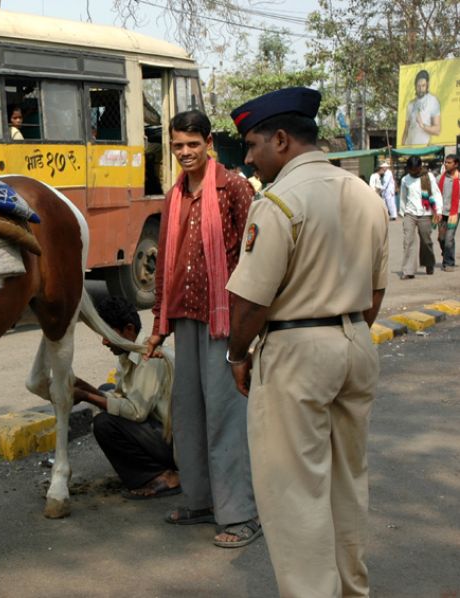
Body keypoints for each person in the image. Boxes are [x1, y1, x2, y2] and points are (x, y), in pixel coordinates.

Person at [226, 86, 388, 597]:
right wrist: (347, 329)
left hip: (296, 351)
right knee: (346, 487)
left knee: (295, 496)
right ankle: (352, 590)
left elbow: (251, 302)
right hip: (355, 342)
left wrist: (237, 354)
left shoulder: (278, 201)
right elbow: (376, 291)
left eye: (253, 145)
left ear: (280, 139)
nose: (249, 157)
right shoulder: (365, 194)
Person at [144, 109, 260, 548]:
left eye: (193, 144)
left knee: (226, 419)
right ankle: (200, 501)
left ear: (209, 142)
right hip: (184, 318)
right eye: (177, 145)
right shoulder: (173, 196)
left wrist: (248, 329)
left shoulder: (233, 187)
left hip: (224, 320)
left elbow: (255, 260)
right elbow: (164, 271)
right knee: (189, 416)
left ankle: (241, 514)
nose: (185, 153)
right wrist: (158, 324)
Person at [73, 296, 179, 499]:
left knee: (104, 424)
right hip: (157, 430)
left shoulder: (151, 358)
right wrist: (85, 386)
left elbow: (136, 412)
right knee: (105, 389)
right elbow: (121, 395)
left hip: (176, 443)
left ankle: (163, 476)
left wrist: (87, 396)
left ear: (128, 329)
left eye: (107, 334)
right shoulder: (127, 354)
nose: (104, 341)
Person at [399, 155, 442, 279]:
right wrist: (403, 213)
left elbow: (436, 193)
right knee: (408, 241)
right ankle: (408, 270)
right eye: (410, 169)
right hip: (410, 213)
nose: (412, 172)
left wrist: (438, 211)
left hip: (425, 213)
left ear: (420, 167)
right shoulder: (405, 179)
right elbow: (403, 197)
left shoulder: (429, 177)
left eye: (415, 169)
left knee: (426, 241)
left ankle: (429, 263)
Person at [401, 70, 441, 146]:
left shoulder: (433, 101)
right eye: (418, 86)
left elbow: (437, 130)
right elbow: (406, 130)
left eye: (423, 85)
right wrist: (403, 148)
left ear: (427, 85)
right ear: (415, 86)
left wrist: (422, 125)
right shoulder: (410, 104)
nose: (420, 89)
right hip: (409, 149)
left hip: (423, 149)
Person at [437, 154, 459, 271]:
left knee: (449, 238)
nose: (446, 164)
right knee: (441, 239)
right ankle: (446, 254)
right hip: (441, 212)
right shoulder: (441, 178)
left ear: (456, 164)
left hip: (454, 213)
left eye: (449, 162)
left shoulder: (459, 179)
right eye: (445, 162)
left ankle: (449, 263)